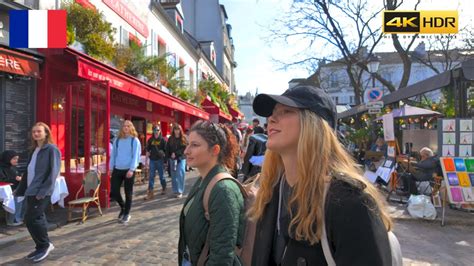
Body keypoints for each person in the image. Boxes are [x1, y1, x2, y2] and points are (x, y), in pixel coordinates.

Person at [249, 85, 392, 265]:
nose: (271, 118)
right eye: (272, 112)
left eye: (286, 111)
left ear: (314, 124)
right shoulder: (271, 190)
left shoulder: (349, 201)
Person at [178, 120, 244, 265]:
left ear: (215, 150)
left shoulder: (223, 190)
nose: (186, 150)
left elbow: (222, 255)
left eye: (194, 145)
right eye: (188, 144)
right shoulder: (203, 179)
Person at [15, 122, 61, 263]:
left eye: (39, 131)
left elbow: (53, 173)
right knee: (33, 219)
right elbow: (28, 172)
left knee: (32, 219)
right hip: (31, 190)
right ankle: (40, 246)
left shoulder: (52, 149)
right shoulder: (34, 150)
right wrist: (20, 190)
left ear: (46, 133)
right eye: (34, 131)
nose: (36, 134)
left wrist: (43, 191)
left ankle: (45, 245)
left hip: (41, 192)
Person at [109, 120, 141, 224]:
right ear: (122, 128)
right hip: (117, 168)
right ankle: (123, 207)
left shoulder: (134, 140)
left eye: (128, 126)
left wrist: (132, 169)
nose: (126, 128)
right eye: (124, 126)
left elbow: (136, 156)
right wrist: (110, 167)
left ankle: (127, 213)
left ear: (131, 128)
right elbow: (113, 155)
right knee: (114, 191)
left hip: (129, 170)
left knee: (128, 193)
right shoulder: (117, 140)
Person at [0, 150, 24, 226]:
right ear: (7, 158)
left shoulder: (13, 167)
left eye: (17, 159)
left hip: (14, 188)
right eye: (14, 159)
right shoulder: (2, 168)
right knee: (16, 197)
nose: (16, 161)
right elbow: (2, 180)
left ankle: (19, 217)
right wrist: (15, 179)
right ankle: (12, 220)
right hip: (6, 191)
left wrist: (20, 177)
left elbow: (18, 175)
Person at [145, 126, 167, 199]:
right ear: (153, 131)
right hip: (152, 160)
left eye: (157, 130)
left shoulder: (163, 140)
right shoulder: (150, 140)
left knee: (161, 176)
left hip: (160, 160)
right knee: (151, 176)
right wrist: (146, 162)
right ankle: (150, 192)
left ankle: (164, 187)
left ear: (160, 131)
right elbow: (148, 150)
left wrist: (165, 159)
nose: (156, 132)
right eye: (154, 130)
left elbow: (166, 151)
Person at [166, 124, 187, 198]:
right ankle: (175, 190)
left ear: (180, 130)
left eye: (178, 129)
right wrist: (169, 156)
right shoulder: (171, 138)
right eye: (175, 129)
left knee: (180, 173)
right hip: (172, 159)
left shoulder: (184, 138)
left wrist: (176, 153)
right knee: (174, 175)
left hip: (181, 158)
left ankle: (180, 191)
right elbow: (167, 148)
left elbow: (185, 148)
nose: (176, 131)